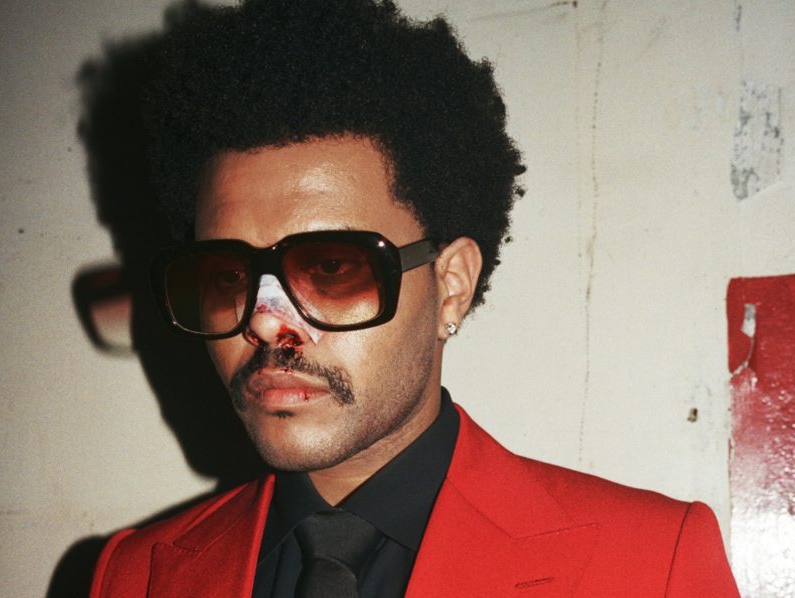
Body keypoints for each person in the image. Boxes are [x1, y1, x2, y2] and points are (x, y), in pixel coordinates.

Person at [89, 1, 739, 596]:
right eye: (228, 277)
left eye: (331, 267)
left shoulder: (649, 565)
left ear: (450, 285)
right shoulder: (135, 575)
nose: (265, 322)